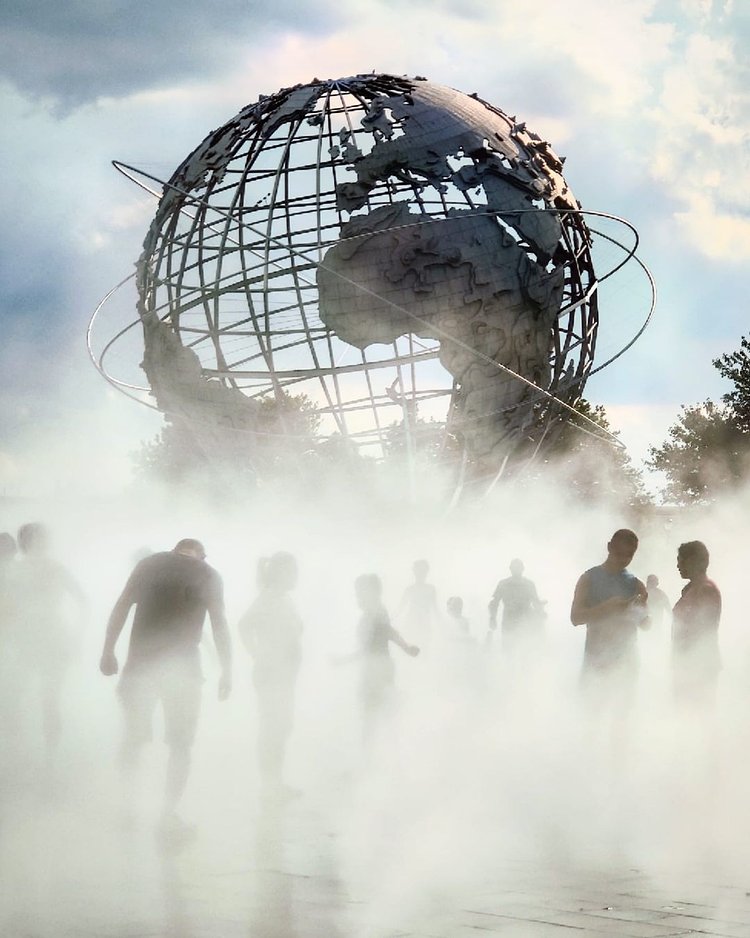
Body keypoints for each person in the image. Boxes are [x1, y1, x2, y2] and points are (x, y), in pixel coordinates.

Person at [100, 538, 232, 835]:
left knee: (133, 740)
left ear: (176, 550)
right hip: (182, 671)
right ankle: (166, 815)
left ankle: (128, 808)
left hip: (140, 666)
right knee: (180, 745)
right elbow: (219, 624)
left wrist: (108, 650)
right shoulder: (208, 574)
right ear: (202, 554)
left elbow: (122, 605)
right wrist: (227, 669)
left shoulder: (150, 565)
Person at [12, 522, 87, 763]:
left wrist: (77, 635)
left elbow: (82, 600)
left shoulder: (48, 569)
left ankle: (45, 758)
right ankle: (28, 753)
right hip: (32, 638)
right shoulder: (18, 570)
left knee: (46, 698)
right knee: (21, 696)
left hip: (48, 637)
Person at [239, 552, 302, 800]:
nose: (297, 577)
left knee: (282, 726)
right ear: (281, 573)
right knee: (272, 728)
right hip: (271, 673)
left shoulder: (283, 598)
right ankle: (270, 786)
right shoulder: (268, 598)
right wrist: (257, 654)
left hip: (284, 674)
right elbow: (244, 625)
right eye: (293, 571)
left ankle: (276, 782)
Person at [570, 529, 648, 724]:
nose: (623, 559)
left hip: (627, 661)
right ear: (609, 547)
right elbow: (575, 617)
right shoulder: (588, 578)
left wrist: (640, 610)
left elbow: (646, 625)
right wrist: (607, 608)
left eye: (629, 555)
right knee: (591, 720)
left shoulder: (637, 584)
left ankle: (620, 754)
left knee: (622, 722)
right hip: (596, 660)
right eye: (619, 553)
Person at [354, 574, 419, 739]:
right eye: (357, 591)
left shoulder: (377, 611)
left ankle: (380, 759)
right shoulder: (371, 613)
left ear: (373, 592)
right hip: (374, 669)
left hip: (379, 670)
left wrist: (406, 647)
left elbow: (389, 632)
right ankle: (379, 758)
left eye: (360, 591)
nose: (358, 596)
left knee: (377, 717)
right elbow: (368, 646)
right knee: (376, 717)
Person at [671, 541, 721, 707]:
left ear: (693, 561)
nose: (677, 565)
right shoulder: (691, 588)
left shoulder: (706, 589)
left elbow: (702, 630)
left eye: (681, 560)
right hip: (686, 663)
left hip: (699, 665)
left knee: (697, 713)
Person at [488, 558, 546, 652]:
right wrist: (492, 618)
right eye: (514, 568)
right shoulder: (503, 584)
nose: (516, 570)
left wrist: (541, 613)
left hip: (525, 622)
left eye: (518, 567)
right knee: (508, 651)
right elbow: (494, 603)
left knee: (525, 651)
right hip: (509, 621)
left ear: (522, 569)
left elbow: (536, 603)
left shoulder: (529, 584)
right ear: (510, 569)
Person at [397, 559, 440, 649]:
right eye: (418, 571)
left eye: (423, 571)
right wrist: (390, 619)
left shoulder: (431, 589)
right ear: (414, 572)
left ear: (426, 572)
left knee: (424, 649)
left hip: (424, 625)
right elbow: (400, 608)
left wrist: (442, 624)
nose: (421, 574)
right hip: (412, 624)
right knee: (412, 650)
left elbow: (435, 609)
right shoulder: (410, 589)